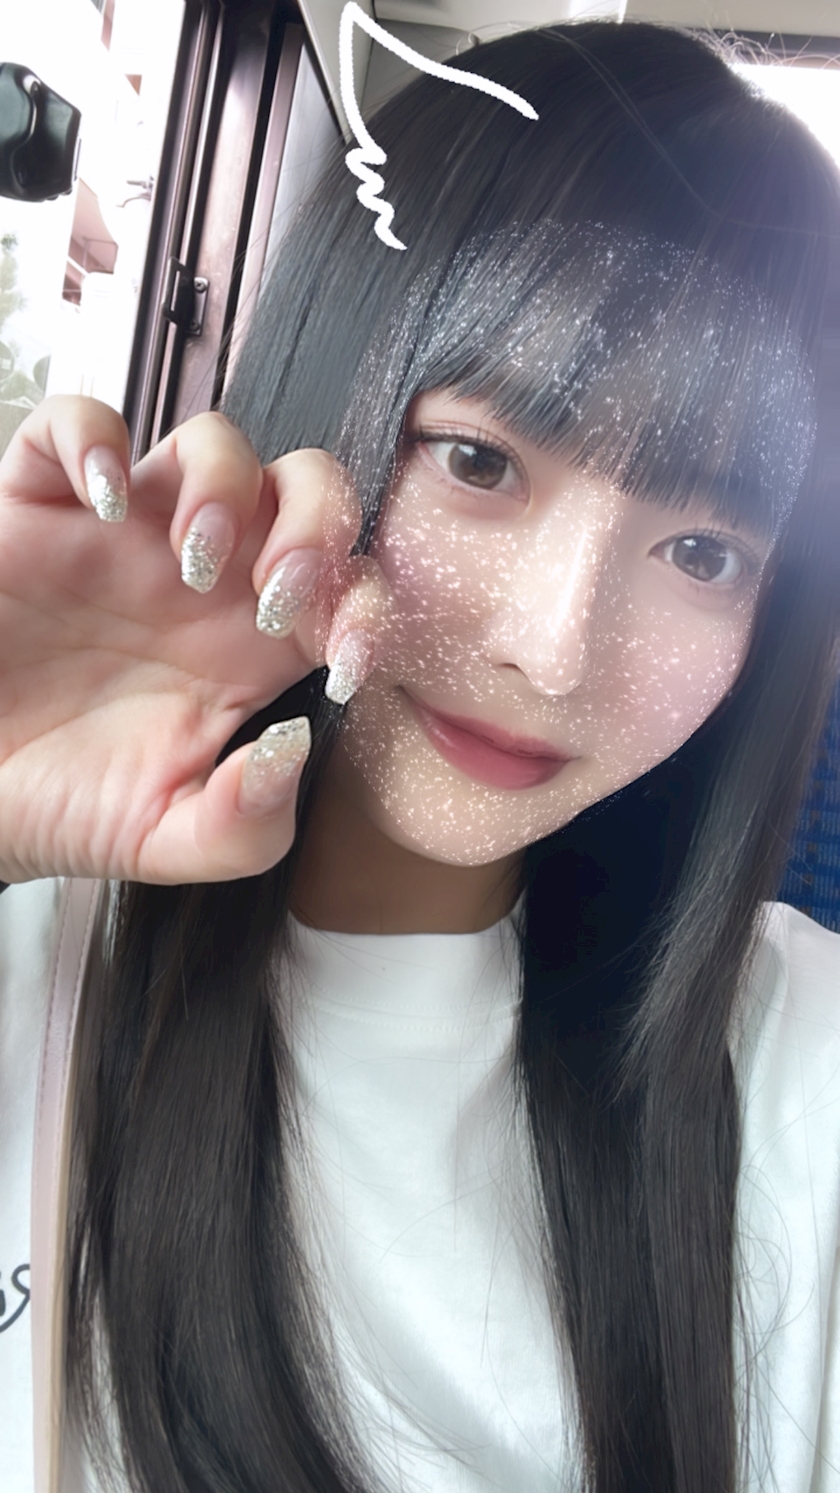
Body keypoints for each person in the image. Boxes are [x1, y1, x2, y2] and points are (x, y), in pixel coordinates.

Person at [0, 18, 838, 1493]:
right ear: (324, 386)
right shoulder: (32, 945)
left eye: (703, 551)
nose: (555, 652)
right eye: (479, 459)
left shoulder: (790, 1061)